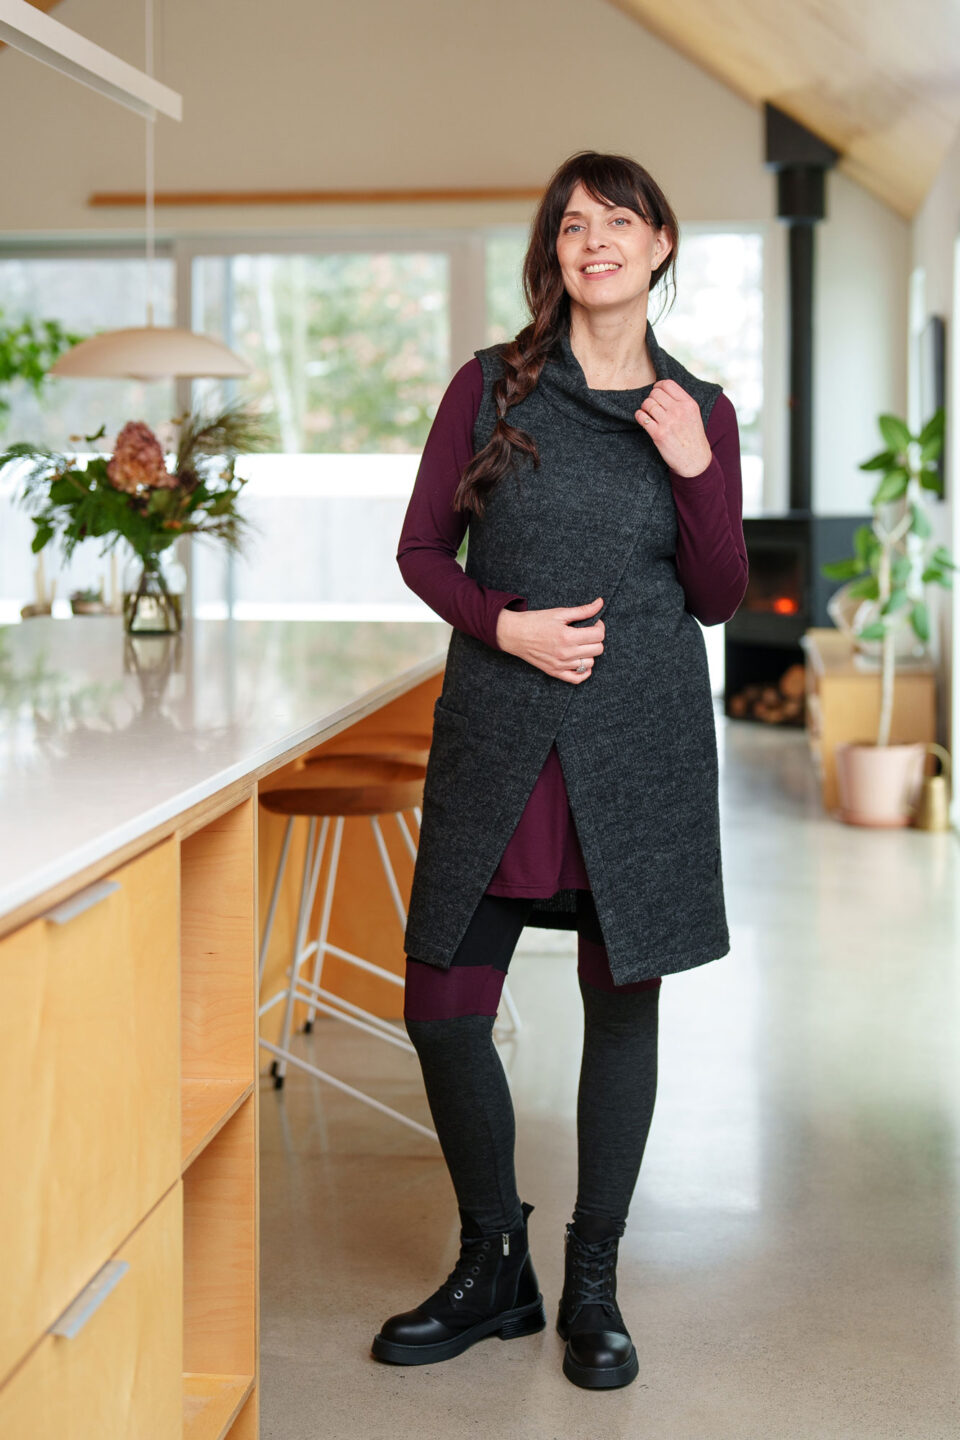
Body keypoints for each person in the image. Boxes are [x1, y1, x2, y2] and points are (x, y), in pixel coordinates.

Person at [370, 150, 748, 1389]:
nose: (596, 239)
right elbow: (424, 549)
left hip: (637, 742)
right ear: (556, 253)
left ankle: (594, 1286)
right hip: (500, 726)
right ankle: (495, 1268)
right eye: (573, 224)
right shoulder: (488, 387)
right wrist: (503, 623)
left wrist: (696, 469)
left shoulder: (699, 411)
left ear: (659, 245)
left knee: (619, 1004)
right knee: (441, 1004)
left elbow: (718, 596)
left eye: (619, 221)